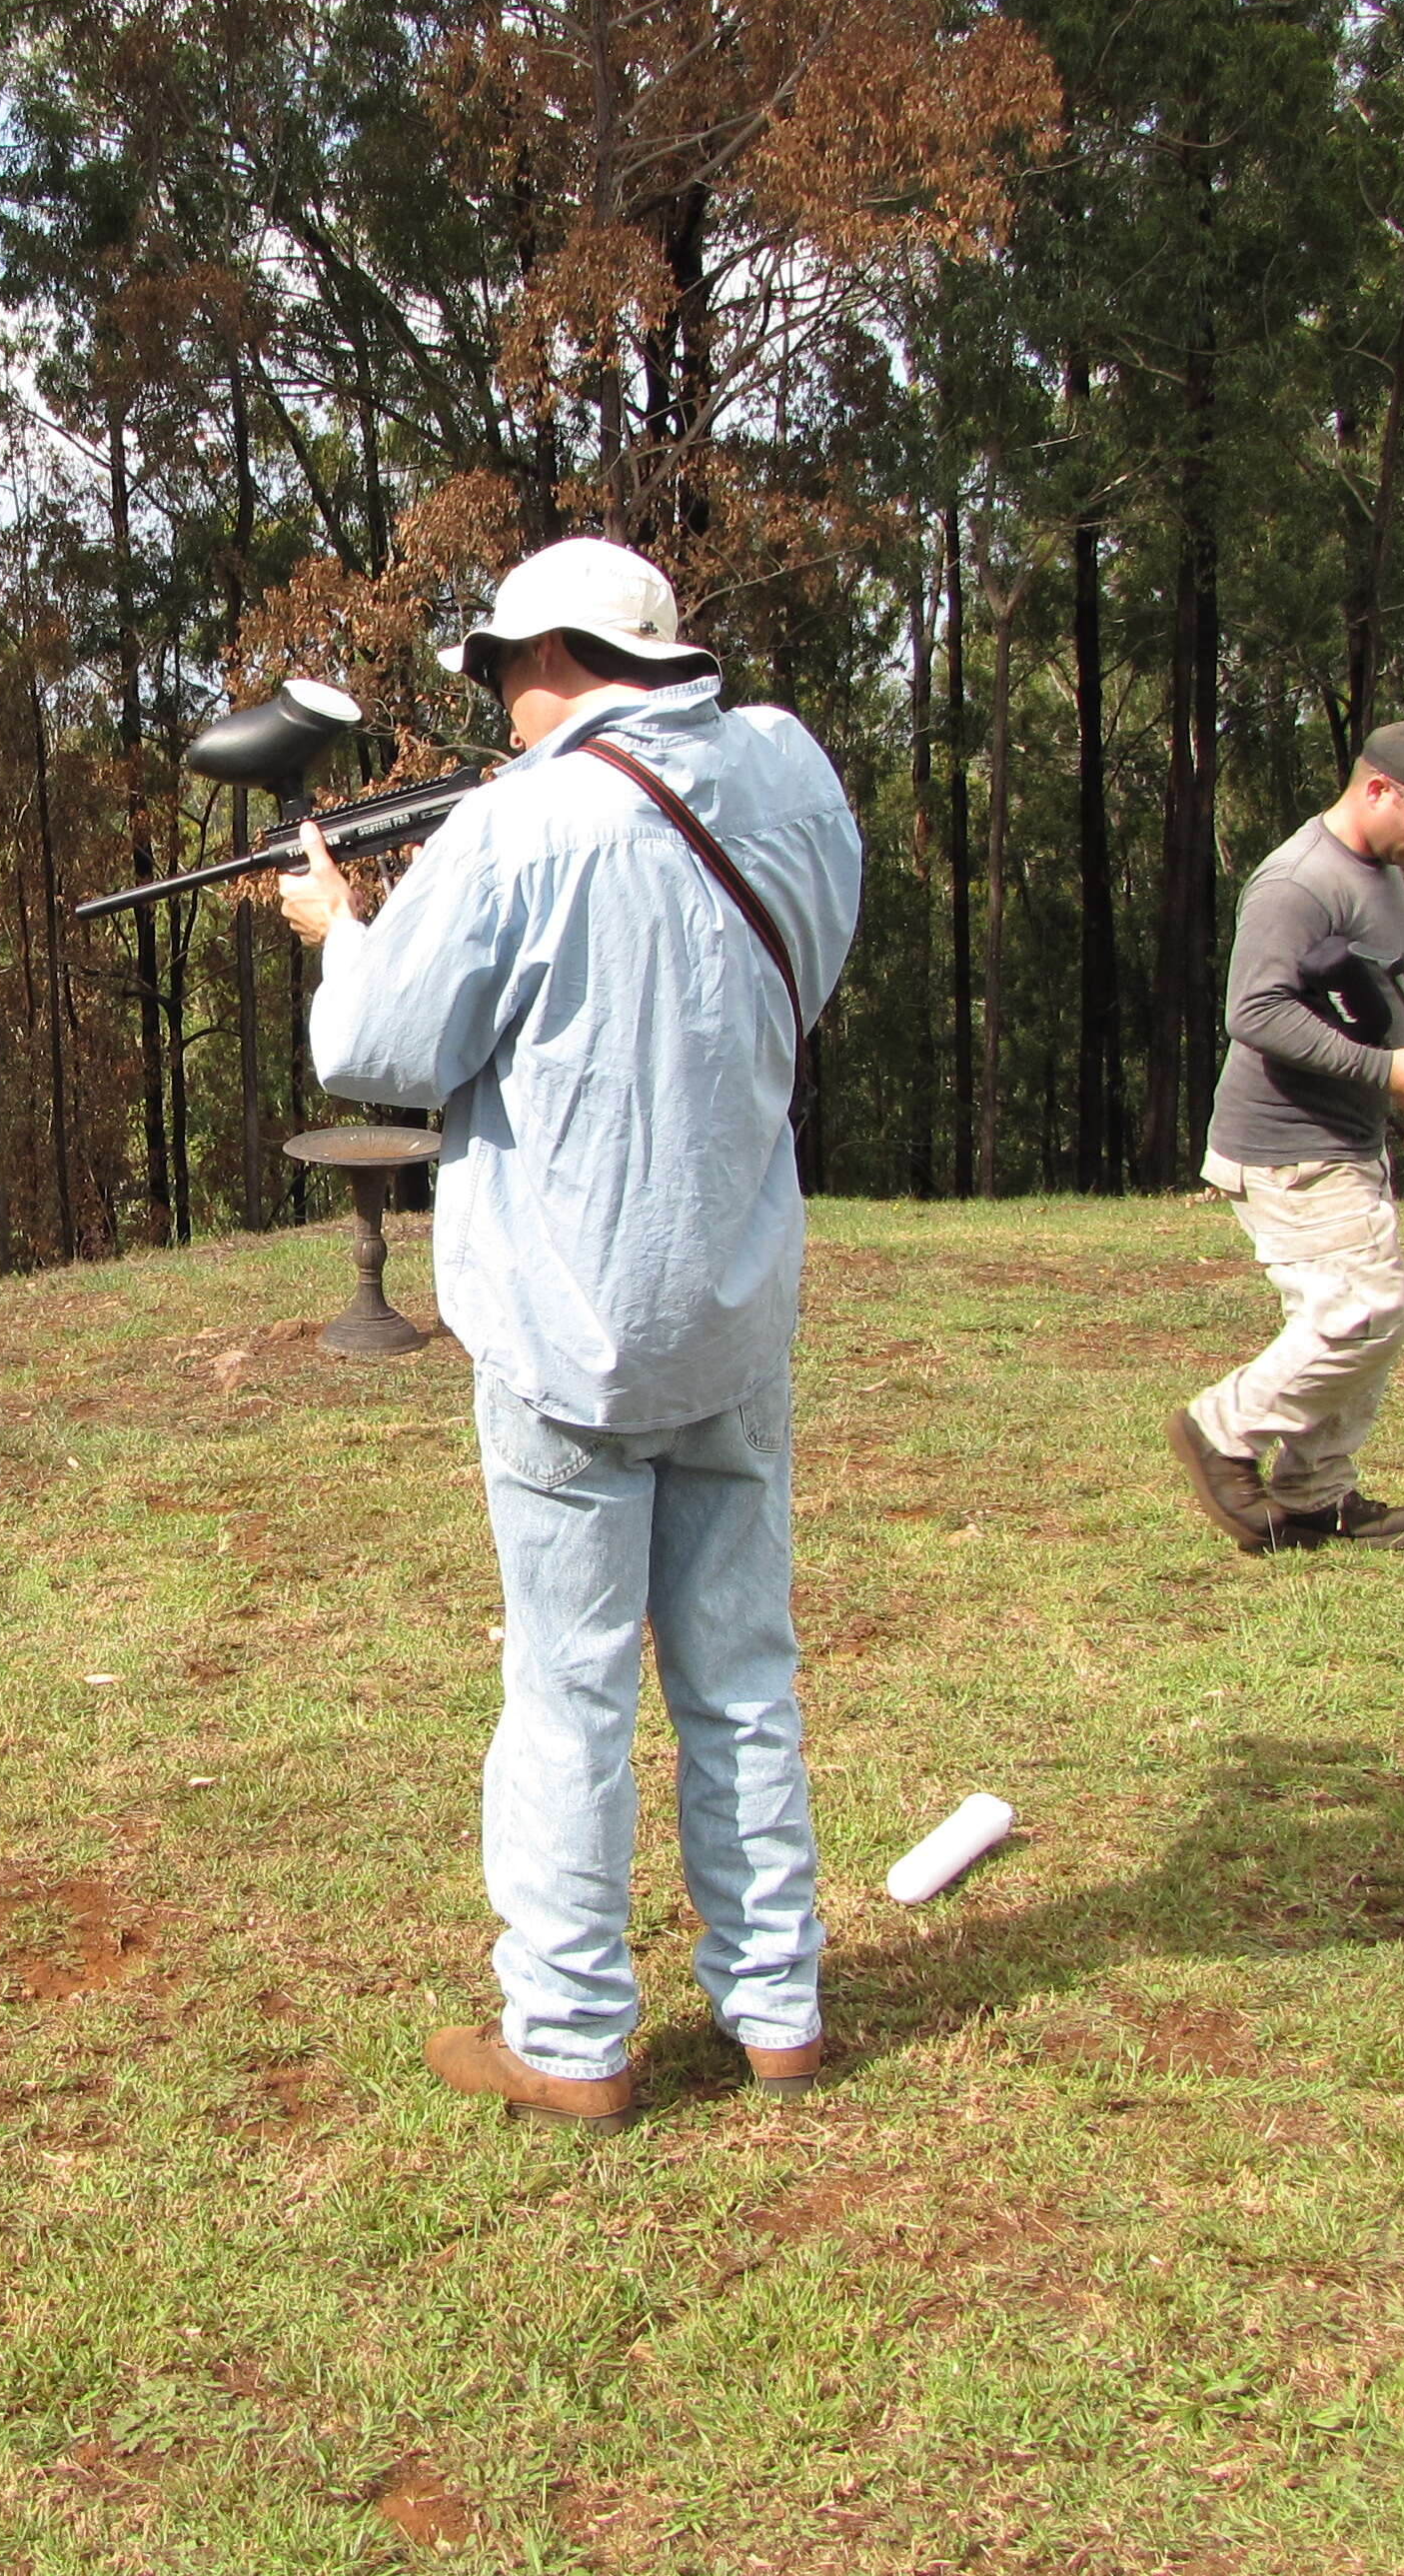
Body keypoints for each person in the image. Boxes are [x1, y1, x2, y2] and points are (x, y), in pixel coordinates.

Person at [273, 537, 860, 2134]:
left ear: (547, 659)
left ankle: (573, 2036)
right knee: (743, 1673)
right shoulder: (791, 775)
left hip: (566, 1331)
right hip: (735, 1307)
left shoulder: (521, 824)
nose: (499, 708)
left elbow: (380, 1050)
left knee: (571, 1688)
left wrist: (341, 930)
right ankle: (778, 2008)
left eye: (500, 675)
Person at [1165, 719, 1404, 1555]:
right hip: (1285, 1143)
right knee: (1367, 1310)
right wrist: (1386, 1075)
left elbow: (1380, 993)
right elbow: (1256, 1012)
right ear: (1378, 788)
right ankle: (1220, 1428)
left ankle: (1314, 1495)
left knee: (1367, 1314)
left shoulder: (1381, 876)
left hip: (1346, 1138)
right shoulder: (1297, 883)